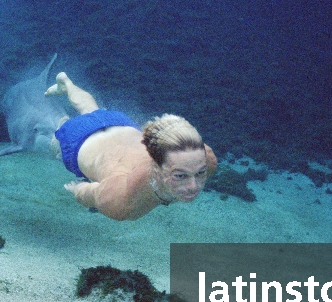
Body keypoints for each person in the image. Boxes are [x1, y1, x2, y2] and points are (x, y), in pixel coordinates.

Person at [45, 72, 217, 221]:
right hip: (78, 139)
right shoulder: (122, 200)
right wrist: (77, 188)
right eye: (180, 176)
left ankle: (66, 83)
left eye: (200, 173)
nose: (194, 186)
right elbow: (85, 192)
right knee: (57, 144)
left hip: (119, 123)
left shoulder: (206, 159)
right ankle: (62, 122)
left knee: (91, 110)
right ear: (157, 170)